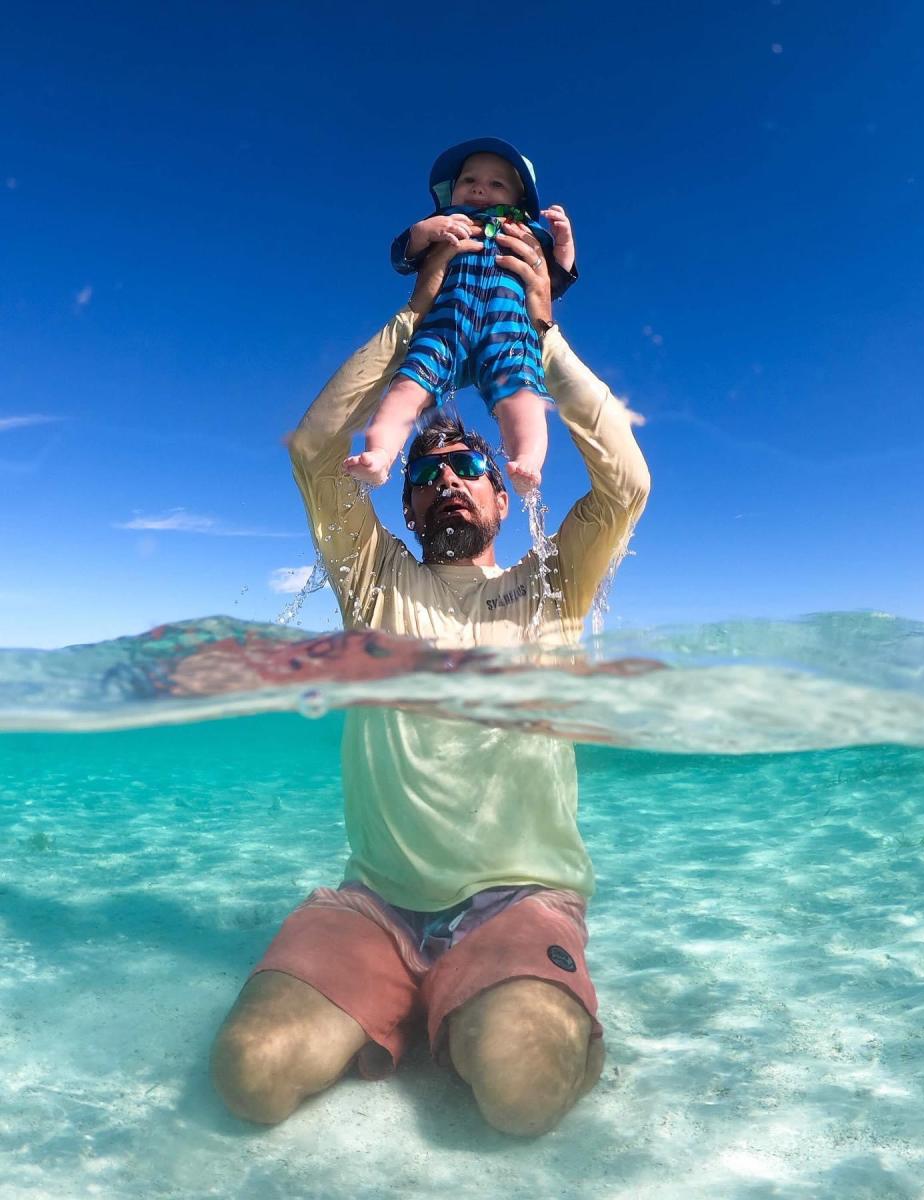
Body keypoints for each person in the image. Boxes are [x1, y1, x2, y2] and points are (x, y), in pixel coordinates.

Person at [210, 226, 651, 1138]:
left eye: (468, 466)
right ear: (406, 505)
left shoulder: (554, 580)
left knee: (524, 1089)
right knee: (248, 1075)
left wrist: (543, 337)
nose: (448, 478)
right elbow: (314, 447)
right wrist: (415, 314)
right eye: (427, 472)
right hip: (374, 899)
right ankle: (412, 1001)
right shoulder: (375, 581)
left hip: (520, 896)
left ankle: (466, 1003)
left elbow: (624, 490)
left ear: (501, 494)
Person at [343, 137, 577, 495]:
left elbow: (554, 282)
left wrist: (562, 244)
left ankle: (527, 459)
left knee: (523, 397)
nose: (480, 187)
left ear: (519, 200)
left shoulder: (529, 234)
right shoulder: (445, 223)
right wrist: (424, 232)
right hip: (444, 328)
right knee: (406, 389)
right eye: (469, 180)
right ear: (452, 191)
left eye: (497, 184)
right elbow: (401, 258)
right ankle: (380, 453)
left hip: (507, 333)